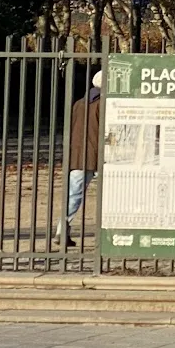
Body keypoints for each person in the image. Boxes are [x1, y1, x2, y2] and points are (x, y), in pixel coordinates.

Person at [58, 69, 102, 247]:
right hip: (97, 155)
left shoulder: (79, 103)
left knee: (73, 195)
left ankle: (62, 228)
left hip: (77, 154)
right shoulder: (104, 104)